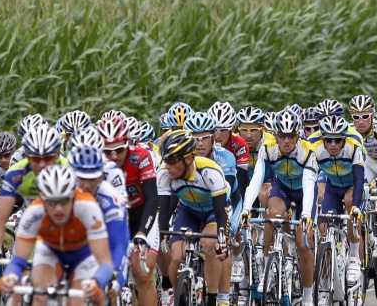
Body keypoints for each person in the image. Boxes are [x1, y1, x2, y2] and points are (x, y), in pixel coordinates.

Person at [0, 165, 114, 306]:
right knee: (40, 295)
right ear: (42, 200)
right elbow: (18, 261)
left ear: (73, 197)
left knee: (78, 300)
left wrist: (97, 281)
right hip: (50, 251)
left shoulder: (88, 207)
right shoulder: (34, 213)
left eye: (64, 200)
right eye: (52, 202)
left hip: (83, 255)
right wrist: (10, 277)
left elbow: (106, 263)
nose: (58, 208)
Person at [240, 110, 318, 306]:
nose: (286, 141)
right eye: (282, 136)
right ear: (275, 135)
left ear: (298, 135)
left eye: (291, 136)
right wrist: (246, 208)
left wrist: (307, 215)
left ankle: (308, 297)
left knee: (304, 242)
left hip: (303, 193)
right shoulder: (268, 149)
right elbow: (257, 179)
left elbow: (309, 185)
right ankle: (267, 266)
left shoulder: (308, 152)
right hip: (282, 188)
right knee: (272, 214)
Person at [156, 130, 232, 306]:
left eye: (173, 161)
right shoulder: (164, 173)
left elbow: (221, 212)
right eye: (166, 160)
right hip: (188, 211)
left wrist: (222, 239)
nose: (168, 166)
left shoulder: (209, 171)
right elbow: (165, 211)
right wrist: (161, 235)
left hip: (214, 210)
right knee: (176, 257)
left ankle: (213, 298)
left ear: (188, 159)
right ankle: (180, 298)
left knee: (209, 244)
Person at [95, 116, 159, 306]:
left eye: (119, 150)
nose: (114, 156)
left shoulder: (141, 157)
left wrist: (142, 233)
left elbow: (152, 199)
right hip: (112, 218)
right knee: (108, 277)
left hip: (141, 215)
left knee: (142, 274)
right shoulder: (94, 164)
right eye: (108, 152)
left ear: (128, 143)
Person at [0, 126, 67, 267]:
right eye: (35, 158)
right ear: (27, 155)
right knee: (15, 274)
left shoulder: (70, 170)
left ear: (58, 154)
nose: (42, 164)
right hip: (31, 223)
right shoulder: (16, 173)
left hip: (65, 223)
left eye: (47, 157)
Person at [68, 145, 131, 297]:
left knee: (108, 287)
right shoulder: (62, 191)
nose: (87, 185)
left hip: (107, 241)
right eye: (82, 178)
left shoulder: (110, 197)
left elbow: (119, 244)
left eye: (93, 178)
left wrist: (114, 276)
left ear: (102, 176)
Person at [313, 115, 366, 291]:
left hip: (354, 186)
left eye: (337, 140)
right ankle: (325, 286)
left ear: (344, 139)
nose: (333, 144)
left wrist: (357, 207)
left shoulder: (353, 148)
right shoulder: (316, 150)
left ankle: (353, 257)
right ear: (323, 140)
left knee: (351, 203)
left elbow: (359, 178)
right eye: (329, 140)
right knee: (324, 232)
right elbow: (309, 180)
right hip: (333, 188)